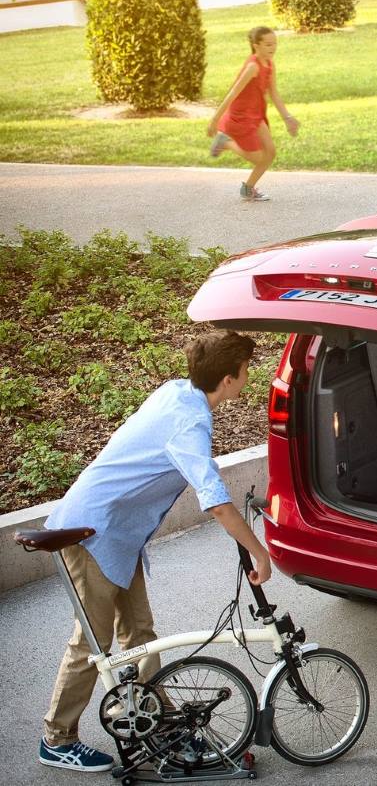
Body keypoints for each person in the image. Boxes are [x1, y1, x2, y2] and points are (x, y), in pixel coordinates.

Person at [38, 331, 272, 773]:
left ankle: (154, 723)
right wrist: (258, 552)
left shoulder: (177, 392)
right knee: (93, 643)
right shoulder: (190, 422)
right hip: (93, 534)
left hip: (120, 535)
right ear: (228, 378)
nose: (246, 379)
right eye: (244, 372)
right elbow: (217, 502)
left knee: (140, 635)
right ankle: (57, 738)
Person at [207, 26, 299, 202]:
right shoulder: (252, 67)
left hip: (256, 113)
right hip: (241, 116)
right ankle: (225, 143)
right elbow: (232, 93)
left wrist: (288, 118)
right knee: (258, 158)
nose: (273, 48)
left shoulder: (270, 64)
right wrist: (215, 119)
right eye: (268, 44)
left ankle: (248, 189)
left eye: (275, 44)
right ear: (256, 46)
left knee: (270, 153)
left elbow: (274, 93)